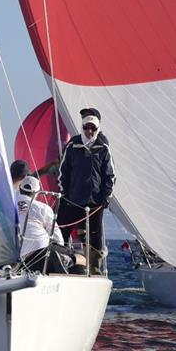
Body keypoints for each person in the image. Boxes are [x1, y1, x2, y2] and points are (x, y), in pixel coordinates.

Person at [57, 107, 115, 274]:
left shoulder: (103, 148)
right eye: (86, 127)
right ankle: (59, 264)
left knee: (95, 239)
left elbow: (110, 175)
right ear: (82, 127)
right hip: (72, 200)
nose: (89, 131)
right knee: (61, 231)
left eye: (93, 128)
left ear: (97, 128)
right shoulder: (73, 145)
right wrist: (64, 194)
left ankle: (94, 271)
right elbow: (63, 173)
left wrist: (106, 196)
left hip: (94, 203)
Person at [15, 176, 71, 274]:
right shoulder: (43, 208)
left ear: (20, 189)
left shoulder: (9, 205)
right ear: (37, 193)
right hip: (40, 256)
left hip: (14, 260)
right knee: (76, 257)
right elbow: (58, 239)